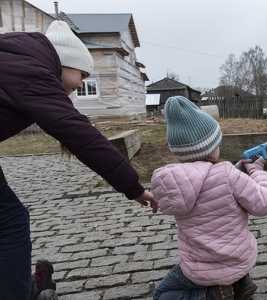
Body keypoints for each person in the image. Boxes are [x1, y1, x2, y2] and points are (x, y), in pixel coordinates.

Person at [0, 21, 157, 299]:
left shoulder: (17, 56)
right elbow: (80, 135)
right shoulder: (34, 72)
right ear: (65, 62)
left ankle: (18, 283)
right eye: (82, 74)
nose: (82, 83)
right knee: (10, 222)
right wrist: (133, 187)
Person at [151, 96, 267, 300]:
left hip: (200, 265)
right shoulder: (228, 176)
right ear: (213, 147)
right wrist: (257, 172)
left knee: (165, 290)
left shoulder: (173, 181)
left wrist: (238, 170)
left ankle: (237, 286)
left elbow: (206, 181)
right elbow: (264, 204)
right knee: (163, 295)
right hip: (237, 257)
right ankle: (216, 292)